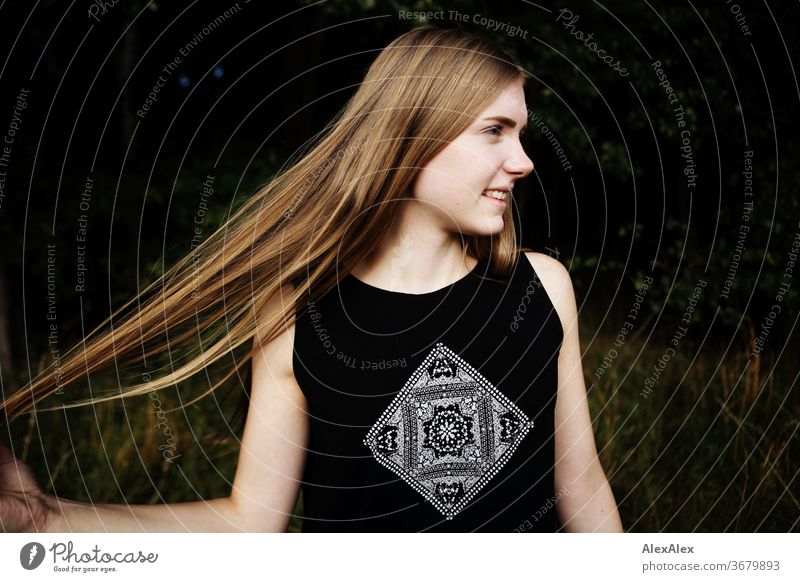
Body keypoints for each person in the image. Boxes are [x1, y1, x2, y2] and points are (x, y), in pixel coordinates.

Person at [0, 26, 623, 533]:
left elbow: (584, 487)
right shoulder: (300, 315)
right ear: (410, 133)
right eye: (494, 131)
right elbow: (250, 525)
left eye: (523, 133)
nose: (523, 161)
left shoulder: (543, 288)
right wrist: (47, 520)